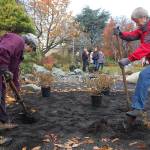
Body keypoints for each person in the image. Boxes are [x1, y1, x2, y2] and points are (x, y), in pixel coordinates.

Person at [0, 32, 38, 144]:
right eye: (31, 49)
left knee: (1, 95)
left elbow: (14, 72)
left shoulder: (19, 53)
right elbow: (2, 50)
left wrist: (17, 90)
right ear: (29, 44)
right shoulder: (17, 40)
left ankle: (3, 122)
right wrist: (4, 68)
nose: (29, 52)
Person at [114, 7, 150, 119]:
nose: (136, 24)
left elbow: (147, 47)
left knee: (144, 76)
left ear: (144, 18)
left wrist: (129, 59)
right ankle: (137, 108)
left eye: (136, 21)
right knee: (144, 77)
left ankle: (137, 107)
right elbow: (132, 35)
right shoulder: (143, 29)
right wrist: (120, 34)